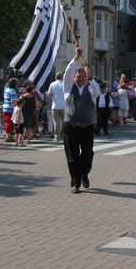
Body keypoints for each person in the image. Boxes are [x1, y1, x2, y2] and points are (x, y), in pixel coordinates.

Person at [62, 47, 100, 193]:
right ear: (74, 78)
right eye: (78, 77)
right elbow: (68, 72)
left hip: (86, 127)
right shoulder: (67, 89)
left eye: (83, 77)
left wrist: (91, 78)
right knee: (72, 158)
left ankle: (84, 173)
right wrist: (76, 58)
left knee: (87, 155)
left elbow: (96, 90)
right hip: (70, 127)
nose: (80, 79)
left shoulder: (91, 91)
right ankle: (75, 182)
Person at [47, 73, 65, 142]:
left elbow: (49, 94)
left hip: (55, 105)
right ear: (62, 77)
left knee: (56, 122)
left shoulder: (52, 84)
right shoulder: (64, 84)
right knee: (65, 122)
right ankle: (65, 135)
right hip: (64, 105)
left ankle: (57, 137)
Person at [2, 78, 18, 142]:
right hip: (10, 108)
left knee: (6, 121)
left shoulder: (6, 89)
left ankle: (7, 135)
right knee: (10, 122)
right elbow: (13, 101)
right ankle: (8, 136)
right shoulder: (12, 91)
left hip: (5, 107)